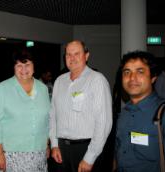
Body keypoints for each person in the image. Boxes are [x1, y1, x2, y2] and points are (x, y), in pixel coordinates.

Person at [49, 40, 112, 172]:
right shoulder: (59, 81)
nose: (72, 58)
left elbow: (104, 123)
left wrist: (90, 157)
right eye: (68, 54)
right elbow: (53, 115)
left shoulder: (97, 80)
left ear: (86, 55)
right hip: (61, 149)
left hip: (86, 148)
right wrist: (54, 145)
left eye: (76, 53)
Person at [0, 49, 50, 172]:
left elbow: (46, 120)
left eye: (27, 65)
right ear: (14, 68)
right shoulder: (2, 88)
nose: (23, 69)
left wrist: (46, 144)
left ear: (34, 66)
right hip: (10, 154)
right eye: (19, 65)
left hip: (38, 153)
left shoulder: (43, 89)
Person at [114, 51, 165, 172]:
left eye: (140, 71)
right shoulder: (124, 113)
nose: (132, 78)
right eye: (127, 72)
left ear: (153, 78)